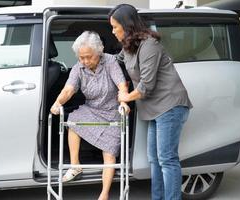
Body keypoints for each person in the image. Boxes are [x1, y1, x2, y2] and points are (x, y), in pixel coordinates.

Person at [109, 4, 193, 200]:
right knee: (154, 160)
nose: (112, 31)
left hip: (170, 105)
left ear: (126, 26)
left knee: (167, 159)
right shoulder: (128, 46)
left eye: (115, 27)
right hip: (154, 109)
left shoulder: (149, 45)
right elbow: (115, 60)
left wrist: (126, 97)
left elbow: (147, 84)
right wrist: (93, 58)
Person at [50, 31, 129, 200]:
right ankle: (75, 166)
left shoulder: (110, 61)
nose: (85, 61)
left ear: (98, 52)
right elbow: (69, 89)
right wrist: (57, 103)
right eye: (81, 57)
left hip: (112, 111)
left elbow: (122, 85)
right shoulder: (79, 68)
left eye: (88, 57)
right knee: (73, 120)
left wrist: (123, 102)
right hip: (92, 109)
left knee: (109, 154)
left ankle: (104, 194)